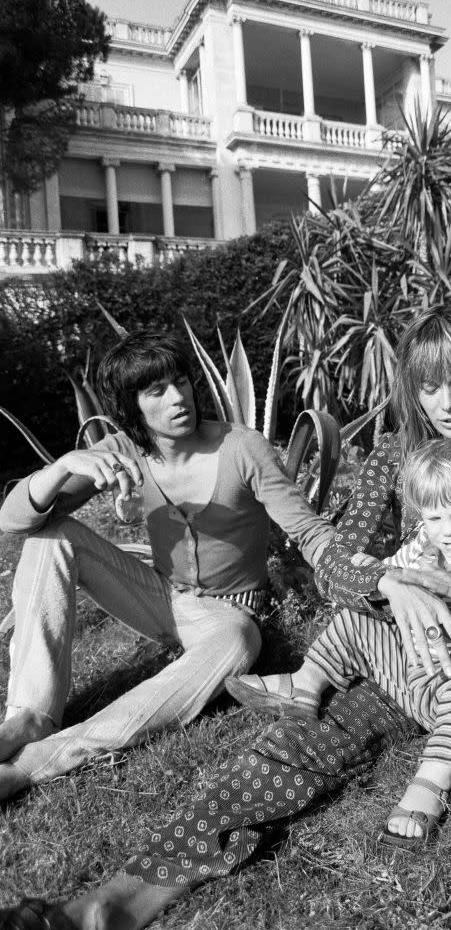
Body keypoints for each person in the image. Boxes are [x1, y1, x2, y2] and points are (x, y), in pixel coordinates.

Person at [0, 304, 451, 930]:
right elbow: (339, 561)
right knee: (290, 746)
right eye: (428, 385)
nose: (445, 404)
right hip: (400, 653)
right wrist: (392, 582)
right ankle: (106, 907)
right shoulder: (396, 458)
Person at [0, 331, 334, 802]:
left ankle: (42, 759)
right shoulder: (124, 450)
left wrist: (364, 571)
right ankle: (29, 714)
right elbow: (13, 522)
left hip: (228, 613)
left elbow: (307, 528)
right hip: (158, 596)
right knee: (50, 535)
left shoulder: (242, 448)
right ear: (130, 407)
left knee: (240, 638)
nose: (179, 399)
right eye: (156, 391)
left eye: (181, 382)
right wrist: (61, 469)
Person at [226, 437, 451, 847]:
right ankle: (306, 684)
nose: (447, 530)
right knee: (356, 617)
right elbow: (390, 574)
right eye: (434, 518)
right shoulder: (423, 544)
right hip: (406, 668)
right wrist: (373, 568)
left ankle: (434, 777)